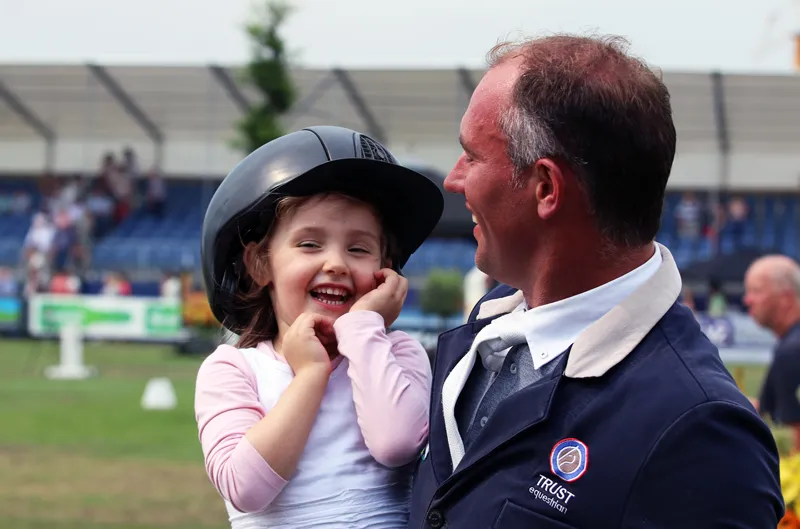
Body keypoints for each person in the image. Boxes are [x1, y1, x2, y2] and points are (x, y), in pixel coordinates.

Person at [408, 34, 783, 529]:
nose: (455, 180)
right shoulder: (489, 328)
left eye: (472, 156)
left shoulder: (698, 429)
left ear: (545, 187)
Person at [195, 126, 444, 528]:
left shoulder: (397, 354)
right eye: (310, 244)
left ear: (385, 271)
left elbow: (396, 443)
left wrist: (364, 327)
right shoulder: (233, 370)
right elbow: (245, 488)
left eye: (359, 248)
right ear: (260, 265)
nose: (336, 263)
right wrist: (310, 374)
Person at [744, 255, 800, 448]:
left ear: (785, 298)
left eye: (756, 291)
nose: (747, 299)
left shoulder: (792, 352)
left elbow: (794, 437)